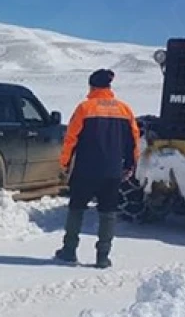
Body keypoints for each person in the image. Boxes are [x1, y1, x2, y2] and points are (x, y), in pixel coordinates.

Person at [55, 68, 139, 268]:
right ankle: (103, 256)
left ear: (92, 86)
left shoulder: (85, 108)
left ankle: (69, 250)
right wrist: (130, 164)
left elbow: (70, 139)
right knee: (108, 213)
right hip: (112, 171)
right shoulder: (124, 110)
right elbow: (133, 140)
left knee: (76, 209)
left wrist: (65, 163)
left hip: (85, 170)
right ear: (109, 86)